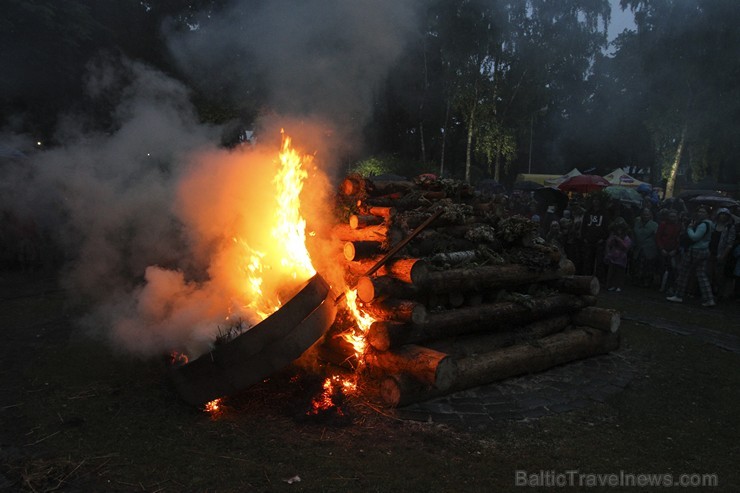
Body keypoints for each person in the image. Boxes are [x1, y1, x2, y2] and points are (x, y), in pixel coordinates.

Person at [666, 206, 716, 307]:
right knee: (701, 275)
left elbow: (695, 237)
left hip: (695, 250)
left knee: (684, 272)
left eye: (703, 211)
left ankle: (679, 295)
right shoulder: (710, 224)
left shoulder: (703, 224)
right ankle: (709, 298)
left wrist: (689, 229)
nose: (700, 213)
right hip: (704, 250)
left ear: (707, 214)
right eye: (699, 211)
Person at [631, 208, 659, 287]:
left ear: (650, 215)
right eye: (644, 214)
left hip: (649, 248)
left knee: (648, 266)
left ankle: (646, 281)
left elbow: (656, 237)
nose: (645, 216)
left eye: (647, 214)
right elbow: (634, 234)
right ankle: (636, 279)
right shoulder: (637, 223)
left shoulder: (655, 225)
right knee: (637, 264)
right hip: (638, 247)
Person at [713, 208, 737, 300]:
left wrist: (723, 255)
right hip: (711, 252)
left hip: (721, 253)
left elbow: (730, 244)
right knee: (709, 273)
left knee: (719, 274)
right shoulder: (713, 225)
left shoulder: (730, 227)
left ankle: (719, 292)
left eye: (725, 215)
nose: (723, 216)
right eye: (721, 214)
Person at [656, 210, 681, 294]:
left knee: (672, 270)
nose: (672, 218)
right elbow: (658, 237)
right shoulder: (663, 225)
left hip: (673, 251)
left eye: (674, 216)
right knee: (661, 268)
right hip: (663, 249)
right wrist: (661, 248)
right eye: (671, 216)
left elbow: (679, 239)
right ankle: (661, 285)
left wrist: (675, 250)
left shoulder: (679, 226)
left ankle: (669, 287)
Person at [604, 217, 632, 292]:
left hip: (621, 257)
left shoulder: (626, 237)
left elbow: (626, 246)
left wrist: (619, 240)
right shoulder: (613, 235)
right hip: (613, 256)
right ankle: (612, 285)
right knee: (612, 272)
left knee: (620, 272)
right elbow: (608, 243)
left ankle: (619, 285)